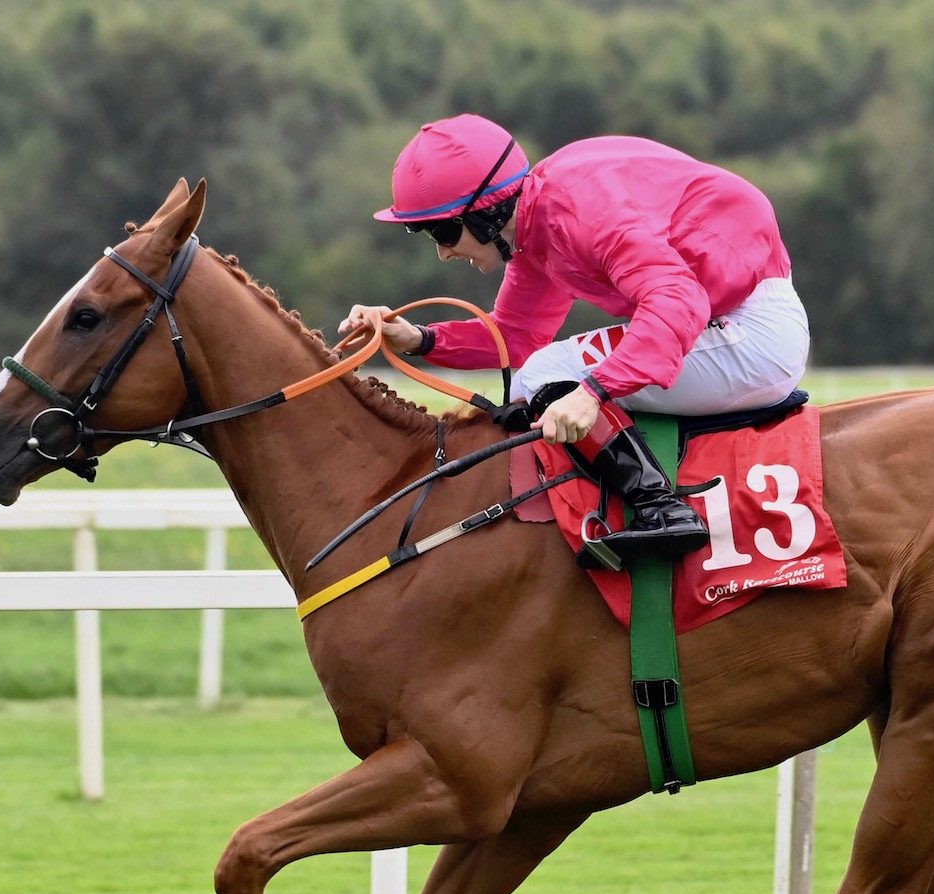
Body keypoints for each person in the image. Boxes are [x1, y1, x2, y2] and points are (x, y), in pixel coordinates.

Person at [340, 114, 810, 561]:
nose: (442, 252)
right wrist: (419, 339)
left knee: (547, 373)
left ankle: (662, 509)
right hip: (725, 318)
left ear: (488, 211)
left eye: (442, 230)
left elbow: (677, 299)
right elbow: (515, 336)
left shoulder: (580, 212)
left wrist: (595, 392)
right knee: (536, 372)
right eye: (425, 235)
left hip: (751, 330)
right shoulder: (539, 226)